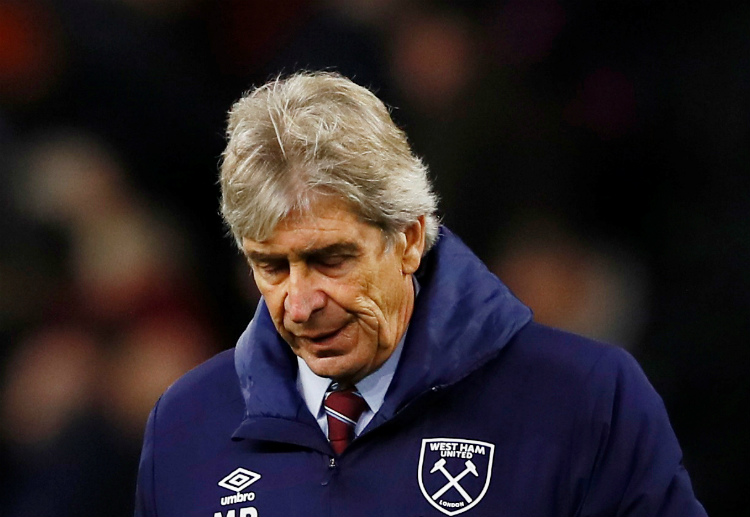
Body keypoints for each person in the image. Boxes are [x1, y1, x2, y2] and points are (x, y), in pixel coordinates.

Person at [134, 71, 707, 517]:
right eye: (272, 267)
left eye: (331, 259)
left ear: (408, 239)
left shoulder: (586, 401)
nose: (301, 303)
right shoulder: (185, 426)